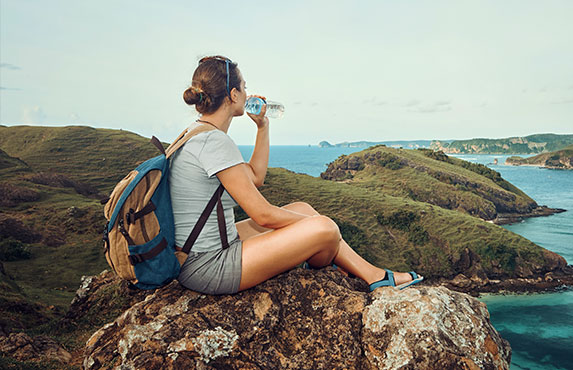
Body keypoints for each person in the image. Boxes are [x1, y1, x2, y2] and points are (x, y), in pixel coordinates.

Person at [170, 55, 424, 295]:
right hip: (208, 265)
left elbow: (255, 177)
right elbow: (263, 215)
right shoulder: (214, 142)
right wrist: (314, 226)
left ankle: (369, 274)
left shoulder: (197, 133)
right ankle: (365, 272)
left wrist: (262, 126)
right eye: (244, 87)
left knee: (304, 209)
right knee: (325, 228)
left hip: (207, 247)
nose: (247, 93)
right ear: (233, 94)